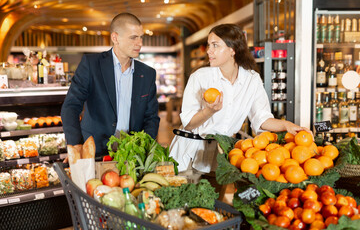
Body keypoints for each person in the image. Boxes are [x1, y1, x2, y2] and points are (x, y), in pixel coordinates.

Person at [169, 23, 310, 175]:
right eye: (209, 45)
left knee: (216, 199)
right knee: (185, 199)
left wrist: (287, 125)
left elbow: (261, 119)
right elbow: (189, 124)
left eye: (215, 45)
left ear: (232, 49)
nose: (209, 51)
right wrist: (209, 111)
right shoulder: (200, 77)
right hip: (189, 154)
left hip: (221, 156)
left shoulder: (252, 79)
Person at [61, 12, 160, 156]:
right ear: (115, 38)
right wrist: (76, 145)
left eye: (141, 37)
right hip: (94, 150)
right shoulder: (91, 64)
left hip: (132, 155)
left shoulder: (148, 73)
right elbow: (70, 106)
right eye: (133, 37)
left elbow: (151, 117)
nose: (140, 43)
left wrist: (144, 148)